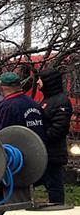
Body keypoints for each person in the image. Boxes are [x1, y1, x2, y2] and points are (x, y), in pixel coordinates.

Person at [0, 71, 46, 204]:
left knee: (1, 193)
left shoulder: (8, 106)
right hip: (33, 159)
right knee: (24, 194)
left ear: (2, 88)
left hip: (12, 162)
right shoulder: (34, 104)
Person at [35, 68, 73, 204]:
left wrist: (40, 140)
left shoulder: (61, 101)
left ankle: (58, 210)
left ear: (48, 81)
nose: (38, 82)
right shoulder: (47, 100)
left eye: (40, 79)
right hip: (44, 152)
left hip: (53, 154)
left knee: (54, 186)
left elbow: (59, 129)